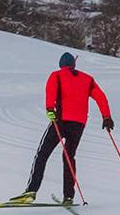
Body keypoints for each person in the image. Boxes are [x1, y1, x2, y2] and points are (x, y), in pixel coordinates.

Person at [9, 52, 112, 206]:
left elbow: (50, 91)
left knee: (42, 154)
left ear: (61, 65)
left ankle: (31, 191)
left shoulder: (57, 75)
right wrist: (106, 117)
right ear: (73, 65)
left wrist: (50, 109)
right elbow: (101, 97)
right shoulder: (88, 79)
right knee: (69, 157)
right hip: (79, 124)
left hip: (61, 120)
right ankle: (68, 196)